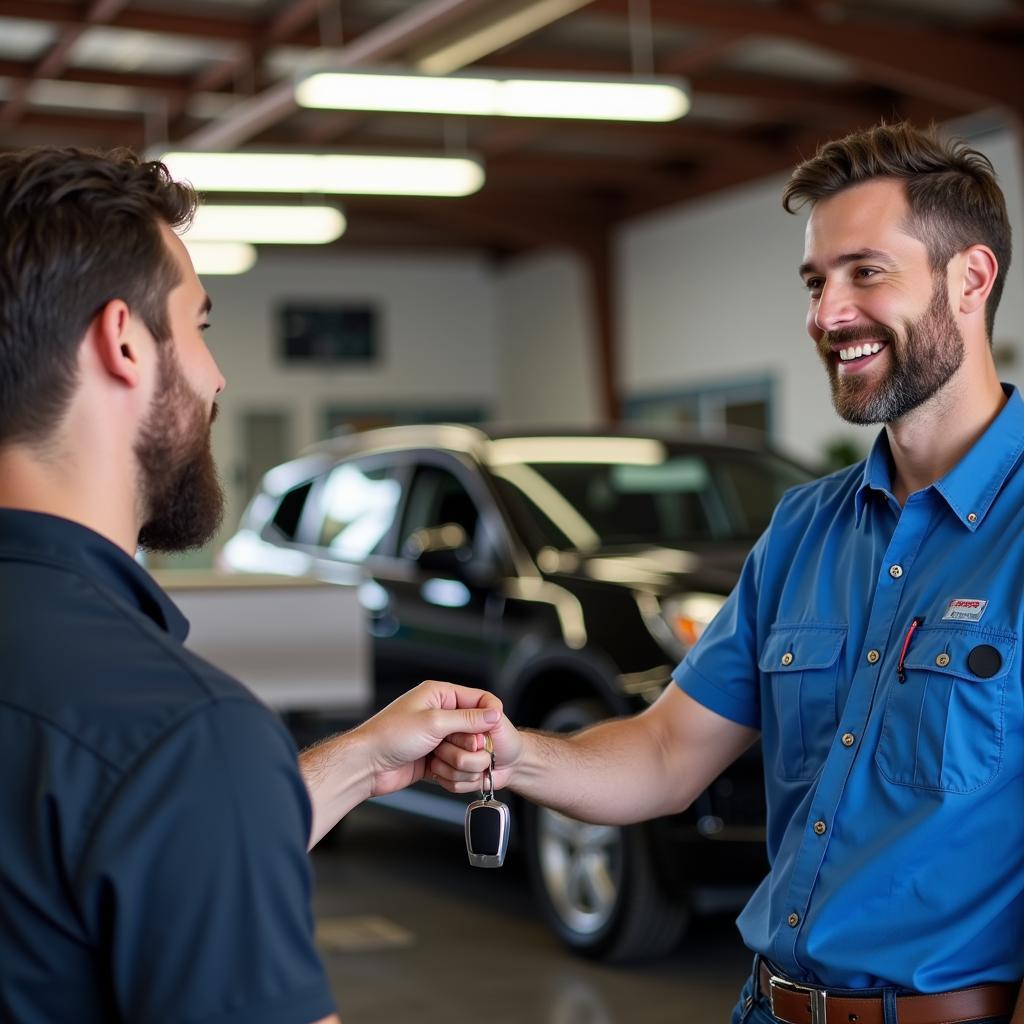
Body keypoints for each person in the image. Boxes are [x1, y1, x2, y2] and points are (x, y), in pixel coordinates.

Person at [433, 121, 1024, 1024]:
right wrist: (519, 757)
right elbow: (668, 753)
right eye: (816, 281)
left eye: (866, 272)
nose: (828, 315)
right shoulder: (801, 529)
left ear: (971, 279)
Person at [0, 146, 501, 1024]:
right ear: (123, 340)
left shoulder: (152, 750)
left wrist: (355, 760)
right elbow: (156, 804)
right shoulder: (178, 730)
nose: (215, 373)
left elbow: (121, 846)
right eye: (198, 325)